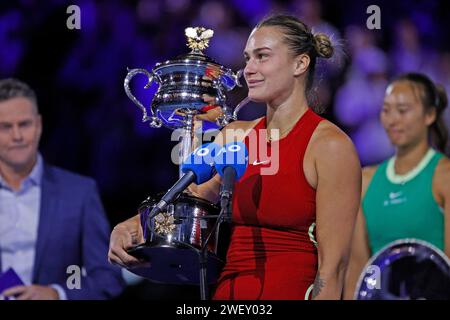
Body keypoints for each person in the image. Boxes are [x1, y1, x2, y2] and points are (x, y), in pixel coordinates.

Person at [108, 14, 361, 300]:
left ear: (300, 64)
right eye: (247, 58)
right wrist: (130, 226)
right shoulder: (234, 134)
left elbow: (333, 268)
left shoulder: (330, 146)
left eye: (262, 57)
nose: (248, 69)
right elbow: (189, 199)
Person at [0, 78, 125, 300]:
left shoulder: (79, 193)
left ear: (38, 125)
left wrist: (58, 294)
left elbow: (108, 278)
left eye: (25, 124)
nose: (17, 136)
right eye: (6, 127)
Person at [344, 73, 450, 299]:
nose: (392, 120)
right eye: (386, 110)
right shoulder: (366, 181)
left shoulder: (444, 176)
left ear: (429, 115)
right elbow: (358, 269)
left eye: (402, 110)